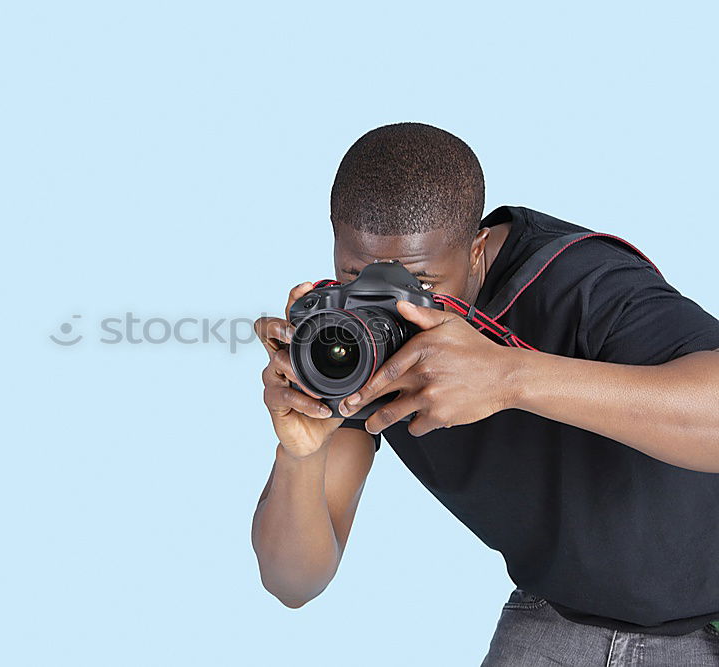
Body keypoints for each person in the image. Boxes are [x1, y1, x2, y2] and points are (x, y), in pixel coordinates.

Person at [250, 122, 719, 666]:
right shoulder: (350, 334)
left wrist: (508, 377)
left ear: (475, 252)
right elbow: (293, 582)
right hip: (561, 608)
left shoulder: (583, 283)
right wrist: (298, 454)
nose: (386, 300)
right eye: (357, 273)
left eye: (421, 283)